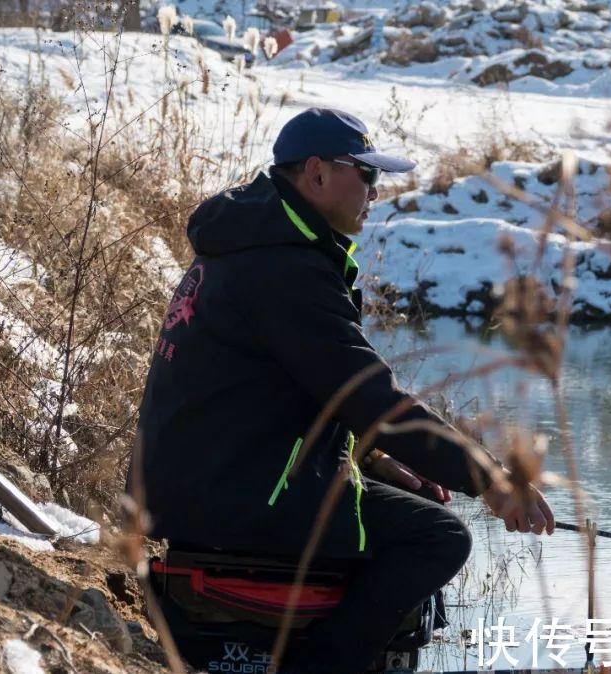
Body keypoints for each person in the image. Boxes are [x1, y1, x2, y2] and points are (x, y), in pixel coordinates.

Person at [128, 107, 554, 672]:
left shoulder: (257, 244)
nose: (376, 191)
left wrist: (372, 458)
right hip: (236, 497)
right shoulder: (284, 269)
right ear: (317, 173)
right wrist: (491, 480)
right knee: (439, 537)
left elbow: (295, 392)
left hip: (216, 480)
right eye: (368, 174)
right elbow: (369, 396)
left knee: (422, 502)